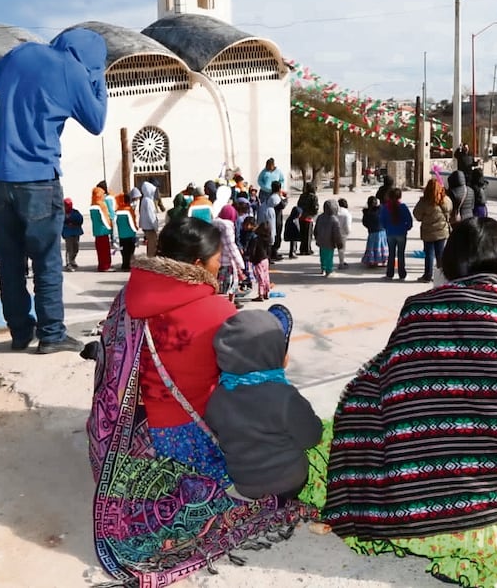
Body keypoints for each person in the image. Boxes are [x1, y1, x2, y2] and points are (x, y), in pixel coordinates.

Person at [323, 217, 497, 588]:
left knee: (363, 400)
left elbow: (394, 378)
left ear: (448, 264)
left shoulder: (418, 309)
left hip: (414, 494)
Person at [87, 216, 309, 585]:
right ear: (195, 265)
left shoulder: (127, 299)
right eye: (216, 258)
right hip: (196, 434)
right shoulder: (217, 311)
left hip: (140, 434)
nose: (219, 264)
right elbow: (259, 377)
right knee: (287, 473)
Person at [0, 28, 107, 354]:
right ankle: (52, 335)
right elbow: (97, 122)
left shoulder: (20, 54)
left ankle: (19, 333)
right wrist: (98, 78)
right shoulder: (73, 72)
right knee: (46, 263)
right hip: (39, 181)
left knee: (10, 263)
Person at [205, 306, 322, 500]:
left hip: (245, 486)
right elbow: (312, 437)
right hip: (288, 482)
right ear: (271, 352)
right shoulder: (285, 397)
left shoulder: (219, 396)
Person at [411, 178, 452, 283]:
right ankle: (442, 276)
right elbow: (450, 210)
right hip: (442, 231)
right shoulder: (446, 200)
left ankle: (427, 276)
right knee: (440, 255)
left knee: (429, 254)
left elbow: (417, 215)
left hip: (428, 231)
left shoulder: (424, 202)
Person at [214, 204, 246, 307]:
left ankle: (222, 306)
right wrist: (241, 264)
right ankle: (227, 307)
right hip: (227, 262)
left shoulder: (214, 224)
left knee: (219, 286)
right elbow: (231, 246)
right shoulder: (227, 227)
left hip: (215, 261)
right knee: (228, 286)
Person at [379, 187, 413, 281]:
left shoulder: (385, 208)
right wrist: (407, 228)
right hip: (401, 232)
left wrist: (387, 227)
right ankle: (402, 274)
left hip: (390, 233)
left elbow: (381, 221)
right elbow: (409, 220)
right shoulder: (403, 207)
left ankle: (390, 274)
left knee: (391, 253)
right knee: (401, 254)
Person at [314, 199, 344, 277]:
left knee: (323, 256)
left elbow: (316, 229)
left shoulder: (320, 217)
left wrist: (316, 237)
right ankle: (329, 270)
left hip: (321, 240)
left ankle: (323, 268)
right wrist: (339, 243)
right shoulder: (334, 220)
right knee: (329, 257)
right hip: (330, 242)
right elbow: (337, 234)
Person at [137, 178, 165, 257]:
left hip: (146, 226)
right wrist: (155, 226)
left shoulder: (144, 200)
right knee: (152, 246)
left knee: (150, 244)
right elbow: (151, 216)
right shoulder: (149, 201)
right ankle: (150, 260)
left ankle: (149, 258)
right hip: (150, 227)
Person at [246, 220, 272, 301]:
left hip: (259, 260)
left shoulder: (256, 239)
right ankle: (266, 293)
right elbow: (269, 250)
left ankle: (260, 294)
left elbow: (252, 250)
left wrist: (251, 258)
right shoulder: (268, 239)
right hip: (265, 259)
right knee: (266, 276)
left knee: (260, 277)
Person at [89, 187, 114, 272]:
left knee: (100, 250)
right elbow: (104, 218)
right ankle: (105, 266)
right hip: (103, 230)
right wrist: (110, 227)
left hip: (97, 231)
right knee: (105, 250)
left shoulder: (92, 205)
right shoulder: (101, 205)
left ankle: (101, 265)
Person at [113, 191, 139, 272]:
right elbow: (132, 221)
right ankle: (130, 264)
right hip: (130, 234)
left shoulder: (117, 211)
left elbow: (115, 223)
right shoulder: (129, 210)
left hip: (121, 235)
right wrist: (135, 229)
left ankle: (124, 264)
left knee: (123, 250)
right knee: (131, 250)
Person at [263, 181, 287, 261]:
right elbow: (282, 205)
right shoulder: (274, 197)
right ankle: (273, 253)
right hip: (275, 219)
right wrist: (285, 198)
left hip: (276, 217)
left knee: (277, 235)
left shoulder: (274, 196)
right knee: (276, 235)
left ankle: (274, 251)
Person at [360, 196, 387, 267]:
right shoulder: (380, 209)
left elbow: (364, 222)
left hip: (372, 232)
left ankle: (371, 260)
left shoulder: (366, 213)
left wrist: (369, 227)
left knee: (372, 247)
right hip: (381, 231)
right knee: (381, 246)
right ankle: (383, 259)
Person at [297, 182, 319, 256]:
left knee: (303, 234)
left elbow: (298, 205)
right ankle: (307, 249)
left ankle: (302, 249)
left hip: (301, 216)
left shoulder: (302, 196)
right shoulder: (313, 197)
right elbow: (315, 207)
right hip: (308, 217)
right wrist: (314, 214)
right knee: (308, 234)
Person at [61, 198, 84, 271]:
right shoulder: (61, 213)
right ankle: (69, 263)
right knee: (69, 249)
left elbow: (80, 219)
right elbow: (61, 221)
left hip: (76, 232)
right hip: (68, 233)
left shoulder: (75, 212)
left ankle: (73, 260)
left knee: (76, 248)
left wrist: (71, 221)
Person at [335, 198, 352, 269]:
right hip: (342, 234)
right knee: (341, 249)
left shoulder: (334, 211)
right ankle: (341, 262)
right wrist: (348, 232)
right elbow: (347, 225)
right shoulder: (347, 213)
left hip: (333, 232)